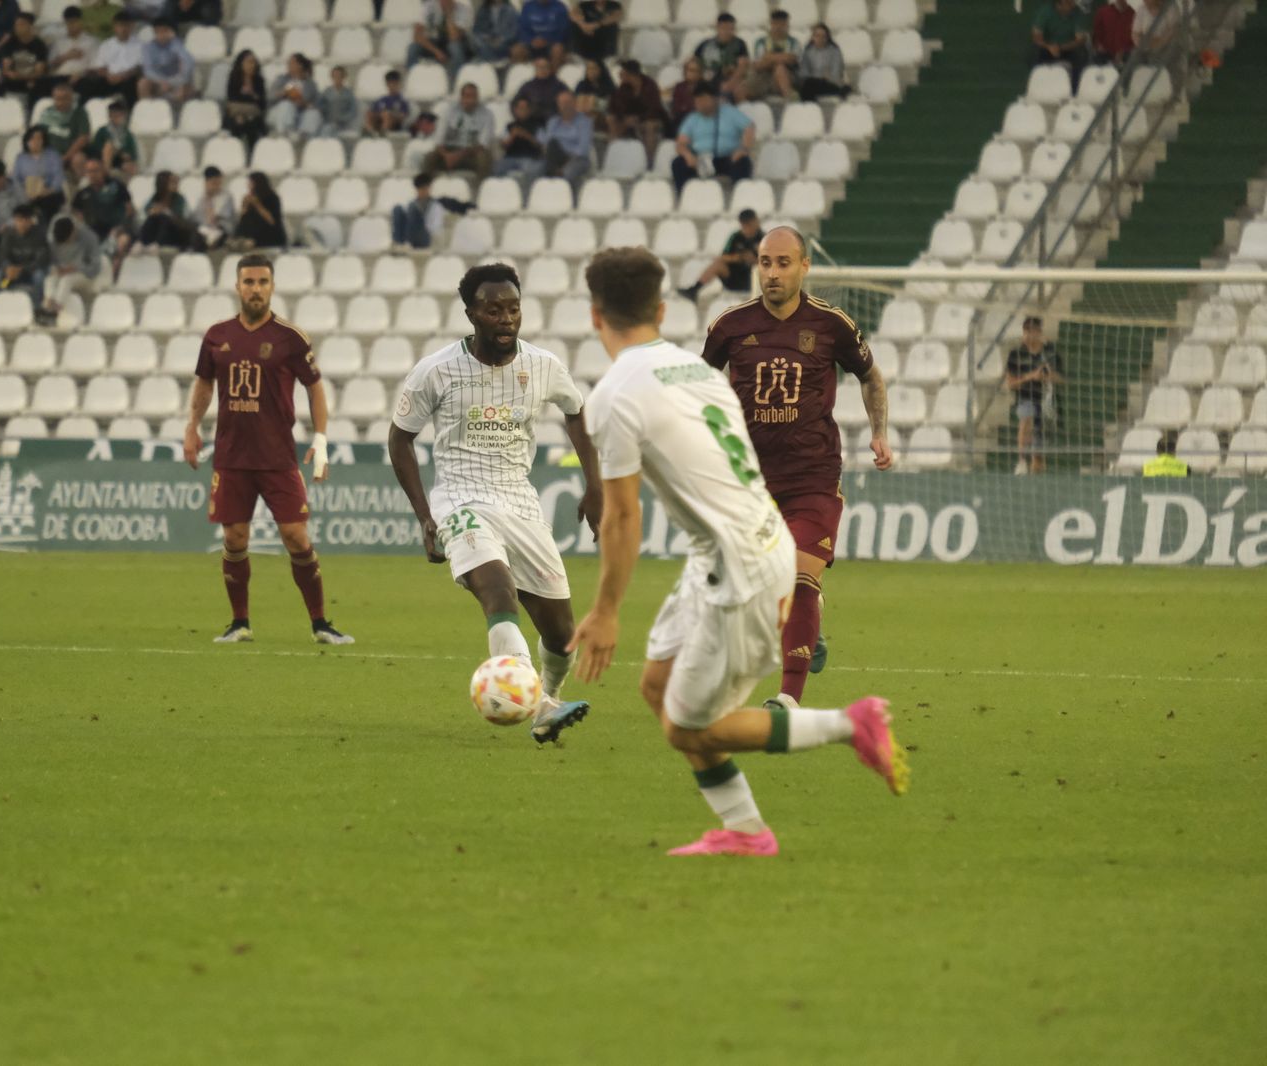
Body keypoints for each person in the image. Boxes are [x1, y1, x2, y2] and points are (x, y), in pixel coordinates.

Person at [570, 246, 907, 859]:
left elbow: (622, 516)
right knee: (657, 686)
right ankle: (746, 832)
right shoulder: (693, 370)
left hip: (742, 564)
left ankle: (849, 724)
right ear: (661, 310)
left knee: (688, 726)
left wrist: (606, 611)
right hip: (728, 550)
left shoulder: (614, 395)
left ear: (595, 316)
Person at [387, 262, 600, 742]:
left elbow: (576, 412)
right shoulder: (436, 370)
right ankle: (536, 701)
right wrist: (425, 516)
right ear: (471, 314)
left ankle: (547, 699)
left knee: (562, 635)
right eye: (493, 310)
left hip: (519, 502)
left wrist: (595, 485)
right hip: (460, 499)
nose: (506, 319)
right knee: (498, 593)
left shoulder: (543, 365)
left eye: (513, 309)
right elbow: (399, 440)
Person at [700, 227, 893, 712]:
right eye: (765, 262)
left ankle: (788, 698)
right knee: (757, 590)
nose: (772, 273)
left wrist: (879, 432)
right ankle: (808, 625)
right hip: (750, 483)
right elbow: (701, 388)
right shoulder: (729, 326)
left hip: (813, 478)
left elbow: (870, 376)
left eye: (783, 263)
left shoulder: (831, 324)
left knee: (801, 579)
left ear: (804, 267)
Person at [182, 254, 355, 647]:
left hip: (277, 457)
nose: (255, 289)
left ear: (272, 287)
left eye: (262, 282)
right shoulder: (217, 335)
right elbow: (204, 384)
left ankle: (320, 623)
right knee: (235, 539)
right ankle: (239, 623)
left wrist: (321, 440)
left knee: (295, 536)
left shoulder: (290, 337)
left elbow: (314, 387)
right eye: (249, 282)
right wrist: (192, 426)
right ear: (237, 287)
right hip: (231, 457)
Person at [1005, 314, 1065, 475]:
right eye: (1025, 330)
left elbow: (1061, 378)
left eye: (1031, 331)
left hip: (1046, 399)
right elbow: (1010, 383)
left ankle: (1036, 465)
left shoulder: (1050, 353)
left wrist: (1046, 376)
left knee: (1038, 454)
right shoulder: (1015, 354)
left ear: (1039, 332)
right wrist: (1030, 376)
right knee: (1026, 418)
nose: (1027, 334)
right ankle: (1021, 461)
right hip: (1025, 397)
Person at [671, 84, 754, 193]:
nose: (700, 104)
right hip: (700, 160)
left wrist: (743, 149)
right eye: (697, 101)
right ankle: (684, 196)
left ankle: (741, 196)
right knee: (678, 163)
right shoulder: (692, 119)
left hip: (727, 158)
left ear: (715, 99)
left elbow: (749, 128)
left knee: (743, 162)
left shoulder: (730, 112)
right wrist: (688, 155)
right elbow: (681, 143)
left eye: (704, 100)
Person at [679, 209, 762, 302]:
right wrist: (739, 257)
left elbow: (769, 262)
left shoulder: (763, 238)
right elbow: (723, 257)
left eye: (750, 224)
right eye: (745, 225)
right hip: (735, 277)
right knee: (718, 263)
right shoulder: (735, 237)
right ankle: (694, 290)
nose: (748, 227)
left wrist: (754, 260)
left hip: (753, 279)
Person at [37, 214, 100, 325]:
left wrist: (76, 268)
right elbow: (52, 262)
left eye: (67, 241)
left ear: (73, 232)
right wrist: (56, 268)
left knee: (66, 280)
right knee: (49, 280)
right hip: (63, 273)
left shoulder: (89, 238)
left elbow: (95, 268)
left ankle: (54, 311)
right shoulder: (54, 240)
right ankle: (47, 306)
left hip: (86, 276)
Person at [423, 82, 494, 179]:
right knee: (429, 157)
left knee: (484, 158)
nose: (470, 100)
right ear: (461, 97)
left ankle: (481, 187)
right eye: (467, 96)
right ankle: (426, 186)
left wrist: (457, 156)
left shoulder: (486, 114)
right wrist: (447, 155)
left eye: (473, 96)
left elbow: (482, 145)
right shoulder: (449, 111)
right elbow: (438, 141)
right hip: (449, 151)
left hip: (471, 154)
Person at [0, 204, 47, 310]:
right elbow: (2, 256)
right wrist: (8, 268)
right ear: (14, 221)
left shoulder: (39, 235)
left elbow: (41, 260)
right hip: (10, 274)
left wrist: (22, 269)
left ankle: (37, 308)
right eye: (19, 220)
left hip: (29, 272)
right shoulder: (8, 234)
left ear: (31, 221)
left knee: (39, 276)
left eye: (25, 220)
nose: (22, 224)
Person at [78, 11, 142, 105]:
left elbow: (139, 68)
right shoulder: (106, 45)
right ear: (114, 27)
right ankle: (85, 110)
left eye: (126, 25)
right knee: (87, 83)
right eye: (120, 25)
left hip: (128, 79)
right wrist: (108, 76)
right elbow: (100, 67)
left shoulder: (140, 45)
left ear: (132, 26)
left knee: (131, 84)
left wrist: (123, 76)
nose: (123, 29)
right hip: (109, 78)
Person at [607, 59, 666, 160]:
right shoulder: (624, 87)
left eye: (623, 72)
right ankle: (614, 157)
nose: (620, 74)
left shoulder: (650, 85)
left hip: (650, 119)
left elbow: (654, 109)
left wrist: (638, 118)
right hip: (631, 119)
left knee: (649, 126)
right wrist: (624, 118)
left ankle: (649, 161)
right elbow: (615, 106)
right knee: (612, 120)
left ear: (631, 74)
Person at [71, 156, 134, 244]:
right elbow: (77, 215)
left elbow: (129, 209)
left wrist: (121, 227)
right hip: (92, 234)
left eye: (95, 170)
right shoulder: (83, 193)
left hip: (116, 231)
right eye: (89, 171)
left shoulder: (117, 186)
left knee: (123, 240)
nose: (92, 174)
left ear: (103, 171)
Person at [539, 89, 592, 190]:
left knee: (567, 173)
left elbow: (583, 149)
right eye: (562, 103)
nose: (565, 105)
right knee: (537, 168)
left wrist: (567, 162)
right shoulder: (553, 122)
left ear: (574, 103)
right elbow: (547, 144)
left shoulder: (584, 122)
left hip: (576, 159)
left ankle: (566, 196)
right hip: (555, 158)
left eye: (568, 102)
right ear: (558, 105)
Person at [1032, 0, 1090, 89]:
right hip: (1048, 49)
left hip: (1069, 49)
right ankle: (1039, 89)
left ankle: (1074, 91)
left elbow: (1080, 39)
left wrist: (1061, 48)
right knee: (1038, 57)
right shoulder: (1046, 11)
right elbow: (1036, 36)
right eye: (1069, 3)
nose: (1073, 4)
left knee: (1080, 58)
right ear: (1059, 4)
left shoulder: (1077, 12)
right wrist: (1049, 46)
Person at [747, 9, 800, 101]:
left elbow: (792, 60)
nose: (779, 27)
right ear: (771, 24)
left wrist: (768, 57)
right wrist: (782, 57)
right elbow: (758, 65)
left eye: (782, 24)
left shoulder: (793, 42)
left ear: (787, 25)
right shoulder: (761, 42)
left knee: (780, 68)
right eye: (776, 23)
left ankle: (790, 101)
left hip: (788, 76)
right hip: (763, 76)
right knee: (741, 89)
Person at [14, 126, 66, 220]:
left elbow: (58, 177)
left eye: (39, 138)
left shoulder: (53, 155)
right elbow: (16, 179)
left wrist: (47, 191)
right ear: (27, 141)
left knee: (49, 203)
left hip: (49, 193)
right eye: (32, 138)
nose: (36, 142)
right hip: (28, 194)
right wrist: (26, 194)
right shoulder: (21, 158)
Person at [0, 13, 51, 103]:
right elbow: (6, 68)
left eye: (21, 24)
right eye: (16, 25)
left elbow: (39, 72)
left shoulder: (39, 45)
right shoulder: (10, 43)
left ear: (30, 26)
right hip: (14, 81)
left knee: (37, 84)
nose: (17, 27)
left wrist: (21, 76)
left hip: (30, 81)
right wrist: (10, 73)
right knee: (0, 82)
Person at [40, 82, 91, 177]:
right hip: (50, 153)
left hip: (71, 154)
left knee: (79, 159)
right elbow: (39, 136)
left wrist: (65, 157)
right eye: (57, 99)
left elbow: (83, 138)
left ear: (71, 99)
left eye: (64, 99)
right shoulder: (47, 113)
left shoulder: (79, 113)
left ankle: (83, 184)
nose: (60, 102)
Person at [138, 17, 193, 103]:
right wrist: (161, 82)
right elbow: (148, 70)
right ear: (154, 33)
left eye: (164, 31)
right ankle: (147, 109)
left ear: (170, 31)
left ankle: (176, 110)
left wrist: (171, 83)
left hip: (176, 82)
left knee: (184, 88)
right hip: (158, 83)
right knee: (143, 83)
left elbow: (188, 64)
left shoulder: (177, 44)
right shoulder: (148, 47)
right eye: (158, 31)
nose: (161, 34)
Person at [134, 169, 191, 251]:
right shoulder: (155, 197)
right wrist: (153, 211)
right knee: (152, 217)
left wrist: (164, 211)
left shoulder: (179, 199)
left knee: (164, 218)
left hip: (174, 232)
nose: (176, 184)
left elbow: (179, 217)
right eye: (172, 182)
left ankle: (157, 244)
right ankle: (140, 242)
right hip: (157, 230)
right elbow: (147, 209)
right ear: (164, 184)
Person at [265, 52, 319, 137]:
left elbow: (317, 103)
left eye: (291, 62)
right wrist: (282, 93)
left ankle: (304, 138)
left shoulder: (310, 84)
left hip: (300, 114)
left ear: (300, 65)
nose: (288, 65)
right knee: (287, 105)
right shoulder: (282, 79)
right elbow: (269, 97)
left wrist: (304, 104)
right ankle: (283, 135)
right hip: (278, 113)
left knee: (313, 114)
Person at [492, 95, 544, 183]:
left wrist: (527, 136)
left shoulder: (537, 126)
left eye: (525, 108)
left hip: (530, 158)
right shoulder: (509, 126)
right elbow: (503, 146)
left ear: (529, 110)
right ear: (515, 110)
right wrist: (512, 136)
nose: (522, 111)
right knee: (497, 168)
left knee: (532, 170)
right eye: (520, 108)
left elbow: (541, 146)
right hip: (511, 158)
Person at [408, 0, 469, 73]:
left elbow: (454, 37)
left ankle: (455, 78)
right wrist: (437, 52)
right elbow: (417, 36)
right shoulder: (428, 7)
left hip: (453, 42)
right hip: (434, 42)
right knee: (413, 48)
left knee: (456, 49)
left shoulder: (462, 8)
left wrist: (449, 14)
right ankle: (411, 75)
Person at [49, 6, 97, 91]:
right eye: (68, 22)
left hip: (83, 77)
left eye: (74, 22)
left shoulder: (92, 41)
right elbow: (51, 64)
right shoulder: (59, 42)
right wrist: (66, 56)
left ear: (81, 21)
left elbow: (95, 67)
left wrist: (81, 74)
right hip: (61, 78)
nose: (71, 25)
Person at [223, 49, 267, 144]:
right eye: (249, 62)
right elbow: (232, 99)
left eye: (253, 62)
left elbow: (262, 104)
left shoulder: (258, 80)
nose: (252, 65)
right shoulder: (234, 78)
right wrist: (251, 99)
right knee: (236, 122)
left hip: (253, 115)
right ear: (241, 64)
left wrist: (251, 94)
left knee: (252, 122)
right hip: (237, 113)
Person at [233, 171, 286, 249]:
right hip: (251, 232)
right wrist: (245, 206)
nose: (248, 185)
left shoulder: (272, 198)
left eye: (251, 183)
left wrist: (257, 205)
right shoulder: (248, 197)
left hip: (268, 233)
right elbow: (242, 218)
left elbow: (272, 221)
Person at [89, 97, 138, 179]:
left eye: (118, 115)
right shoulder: (102, 131)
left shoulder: (127, 134)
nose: (115, 117)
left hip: (120, 161)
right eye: (113, 115)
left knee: (131, 166)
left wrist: (122, 153)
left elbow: (132, 154)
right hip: (103, 159)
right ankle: (107, 176)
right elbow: (95, 149)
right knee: (109, 146)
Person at [511, 55, 567, 125]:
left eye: (545, 67)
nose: (543, 70)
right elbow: (515, 103)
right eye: (540, 67)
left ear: (550, 69)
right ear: (535, 69)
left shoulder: (559, 86)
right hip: (532, 122)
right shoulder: (527, 87)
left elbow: (568, 100)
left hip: (555, 121)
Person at [694, 12, 749, 84]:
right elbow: (693, 62)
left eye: (731, 29)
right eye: (724, 28)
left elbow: (742, 66)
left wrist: (730, 83)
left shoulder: (739, 44)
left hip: (729, 83)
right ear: (717, 27)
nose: (727, 32)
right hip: (705, 82)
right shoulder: (705, 44)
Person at [797, 23, 847, 101]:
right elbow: (803, 73)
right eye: (817, 36)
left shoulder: (835, 51)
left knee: (809, 87)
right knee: (807, 85)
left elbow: (836, 74)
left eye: (823, 36)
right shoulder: (808, 51)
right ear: (813, 37)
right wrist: (820, 77)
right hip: (812, 83)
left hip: (830, 84)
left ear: (827, 37)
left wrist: (822, 78)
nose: (820, 39)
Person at [513, 0, 569, 65]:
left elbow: (563, 30)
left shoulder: (560, 7)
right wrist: (531, 40)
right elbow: (522, 28)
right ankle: (523, 71)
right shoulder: (527, 7)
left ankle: (552, 71)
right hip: (531, 44)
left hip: (552, 43)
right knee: (516, 50)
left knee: (557, 50)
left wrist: (547, 40)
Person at [194, 165, 235, 250]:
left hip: (222, 229)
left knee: (217, 232)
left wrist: (209, 198)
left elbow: (215, 219)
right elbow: (198, 219)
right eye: (214, 183)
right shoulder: (202, 198)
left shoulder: (226, 196)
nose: (217, 186)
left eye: (219, 183)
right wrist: (208, 198)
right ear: (207, 182)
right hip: (205, 229)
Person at [364, 69, 409, 135]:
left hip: (394, 124)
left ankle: (383, 133)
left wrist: (390, 114)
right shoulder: (382, 99)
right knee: (369, 113)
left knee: (386, 114)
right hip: (379, 121)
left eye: (394, 83)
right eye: (390, 83)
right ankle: (369, 132)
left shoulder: (401, 100)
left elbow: (403, 116)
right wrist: (380, 114)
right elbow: (374, 111)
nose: (392, 86)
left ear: (398, 84)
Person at [317, 65, 358, 137]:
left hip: (343, 124)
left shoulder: (349, 93)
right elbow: (320, 106)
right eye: (335, 76)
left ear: (343, 77)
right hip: (328, 122)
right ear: (332, 77)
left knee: (329, 130)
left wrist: (343, 118)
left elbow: (353, 110)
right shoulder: (327, 92)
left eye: (340, 76)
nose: (337, 78)